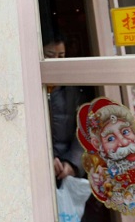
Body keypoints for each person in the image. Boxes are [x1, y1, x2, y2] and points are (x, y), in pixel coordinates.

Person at [44, 36, 91, 181]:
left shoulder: (72, 89)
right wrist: (45, 161)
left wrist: (73, 164)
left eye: (61, 56)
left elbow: (85, 128)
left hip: (66, 172)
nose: (56, 60)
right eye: (50, 55)